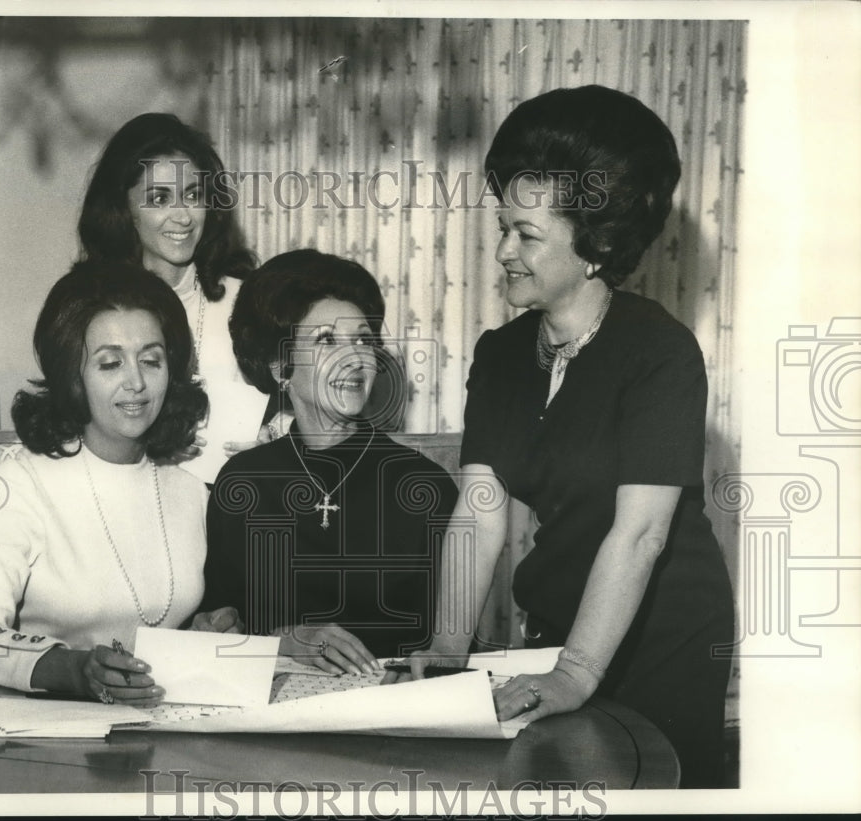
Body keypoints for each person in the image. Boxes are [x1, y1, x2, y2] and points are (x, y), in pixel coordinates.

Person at [395, 85, 734, 788]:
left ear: (593, 246)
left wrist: (576, 673)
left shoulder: (661, 355)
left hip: (663, 638)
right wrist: (444, 650)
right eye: (502, 226)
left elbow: (639, 535)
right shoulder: (499, 353)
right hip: (557, 627)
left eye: (526, 234)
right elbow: (479, 512)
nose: (502, 251)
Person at [0, 261, 238, 704]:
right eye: (110, 363)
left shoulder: (191, 490)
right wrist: (74, 669)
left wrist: (202, 633)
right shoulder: (23, 480)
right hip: (42, 729)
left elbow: (163, 624)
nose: (136, 382)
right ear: (73, 376)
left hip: (158, 726)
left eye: (151, 360)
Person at [201, 250, 458, 673]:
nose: (354, 359)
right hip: (269, 716)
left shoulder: (424, 486)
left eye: (362, 340)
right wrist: (284, 641)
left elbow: (446, 649)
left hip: (392, 714)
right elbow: (217, 631)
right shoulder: (242, 483)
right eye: (326, 341)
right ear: (280, 366)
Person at [78, 113, 271, 485]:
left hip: (229, 504)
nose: (182, 216)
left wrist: (274, 440)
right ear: (124, 208)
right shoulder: (88, 308)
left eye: (193, 195)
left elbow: (295, 402)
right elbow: (72, 421)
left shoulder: (246, 298)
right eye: (160, 198)